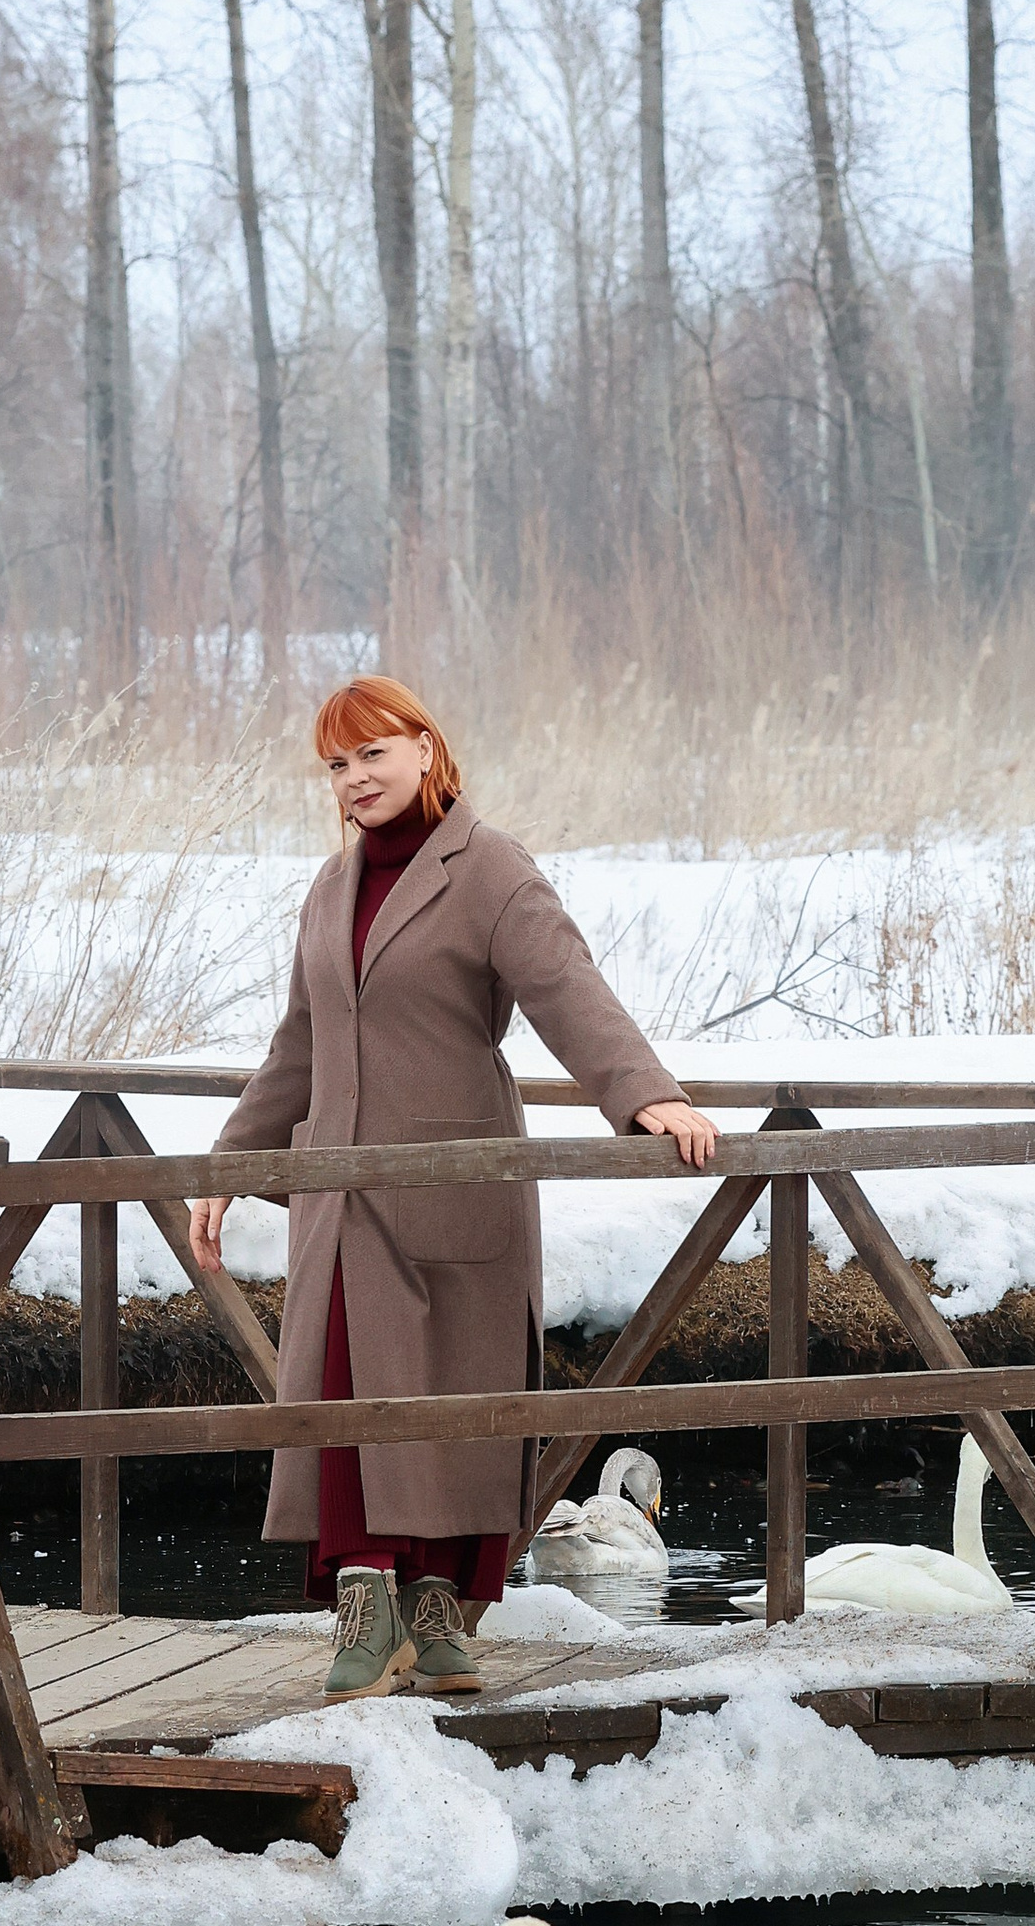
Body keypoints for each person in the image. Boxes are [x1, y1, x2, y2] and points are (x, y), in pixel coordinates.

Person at [186, 678, 718, 1701]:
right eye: (336, 766)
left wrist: (646, 1094)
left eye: (371, 755)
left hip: (456, 1181)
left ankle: (439, 1615)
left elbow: (567, 987)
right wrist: (229, 1163)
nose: (353, 781)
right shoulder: (329, 887)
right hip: (336, 1196)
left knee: (451, 1405)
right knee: (343, 1400)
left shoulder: (489, 869)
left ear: (426, 749)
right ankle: (364, 1601)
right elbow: (299, 1046)